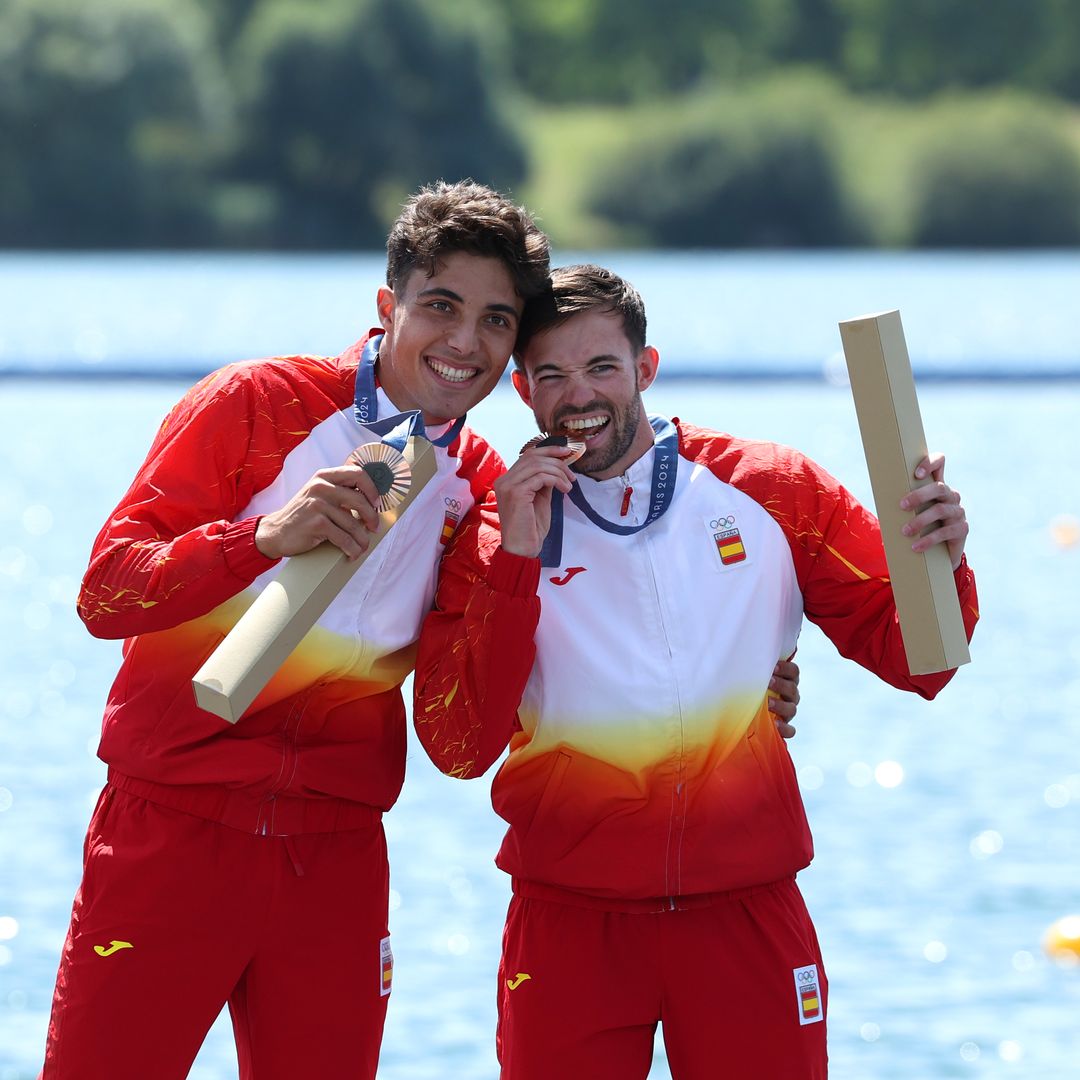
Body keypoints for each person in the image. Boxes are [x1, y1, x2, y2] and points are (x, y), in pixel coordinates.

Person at [413, 264, 979, 1079]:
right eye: (553, 376)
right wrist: (517, 565)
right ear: (522, 392)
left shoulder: (772, 490)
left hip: (745, 911)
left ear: (645, 369)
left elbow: (922, 662)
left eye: (602, 368)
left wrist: (943, 560)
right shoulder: (498, 531)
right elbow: (457, 747)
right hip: (571, 925)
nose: (581, 397)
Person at [40, 179, 552, 1080]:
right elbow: (104, 596)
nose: (465, 342)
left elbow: (461, 745)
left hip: (337, 861)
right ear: (387, 304)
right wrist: (255, 541)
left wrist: (514, 565)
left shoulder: (478, 487)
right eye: (442, 306)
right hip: (172, 833)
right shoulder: (255, 402)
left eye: (497, 321)